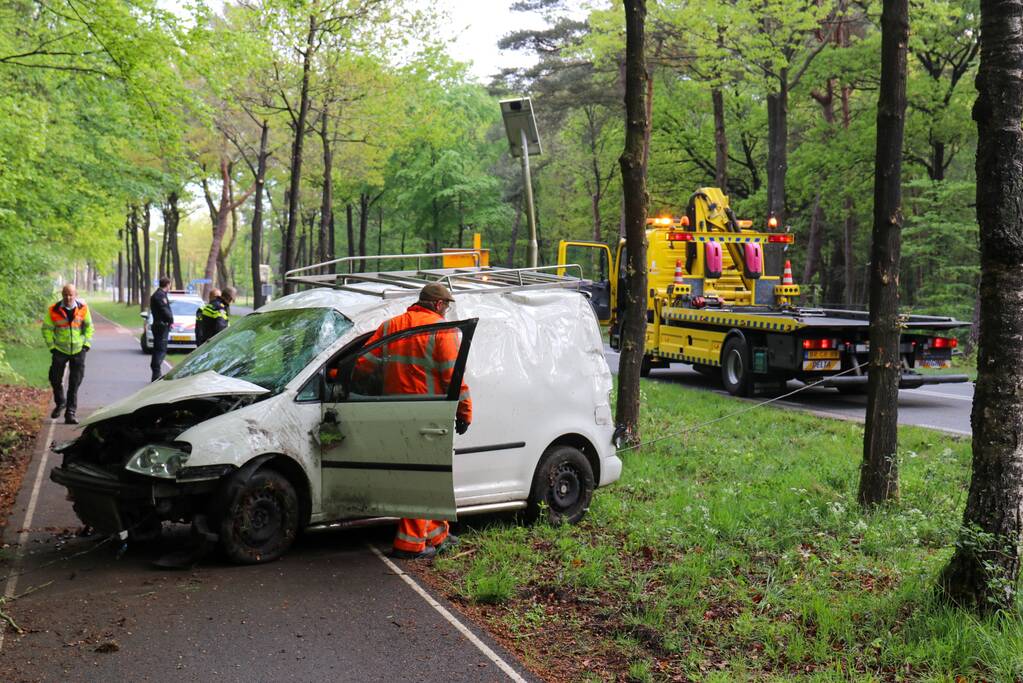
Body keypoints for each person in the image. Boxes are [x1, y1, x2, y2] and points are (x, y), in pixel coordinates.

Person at [355, 283, 472, 560]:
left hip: (390, 411)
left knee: (418, 477)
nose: (446, 310)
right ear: (437, 305)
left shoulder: (390, 326)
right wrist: (464, 411)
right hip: (426, 413)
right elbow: (451, 377)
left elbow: (363, 364)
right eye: (445, 305)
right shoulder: (442, 331)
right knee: (422, 480)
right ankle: (409, 545)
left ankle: (437, 535)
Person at [42, 284, 93, 424]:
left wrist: (86, 344)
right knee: (55, 378)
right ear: (62, 294)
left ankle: (70, 413)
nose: (68, 297)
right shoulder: (53, 310)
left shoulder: (83, 308)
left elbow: (89, 327)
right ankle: (60, 402)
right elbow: (46, 329)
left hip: (78, 350)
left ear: (75, 294)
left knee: (74, 382)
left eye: (71, 294)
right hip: (60, 350)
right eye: (65, 294)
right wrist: (51, 346)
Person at [149, 277, 173, 381]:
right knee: (160, 350)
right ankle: (156, 372)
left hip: (160, 325)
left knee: (159, 349)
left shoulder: (160, 295)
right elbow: (164, 310)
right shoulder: (160, 296)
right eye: (170, 285)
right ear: (167, 284)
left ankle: (156, 373)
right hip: (161, 326)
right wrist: (171, 319)